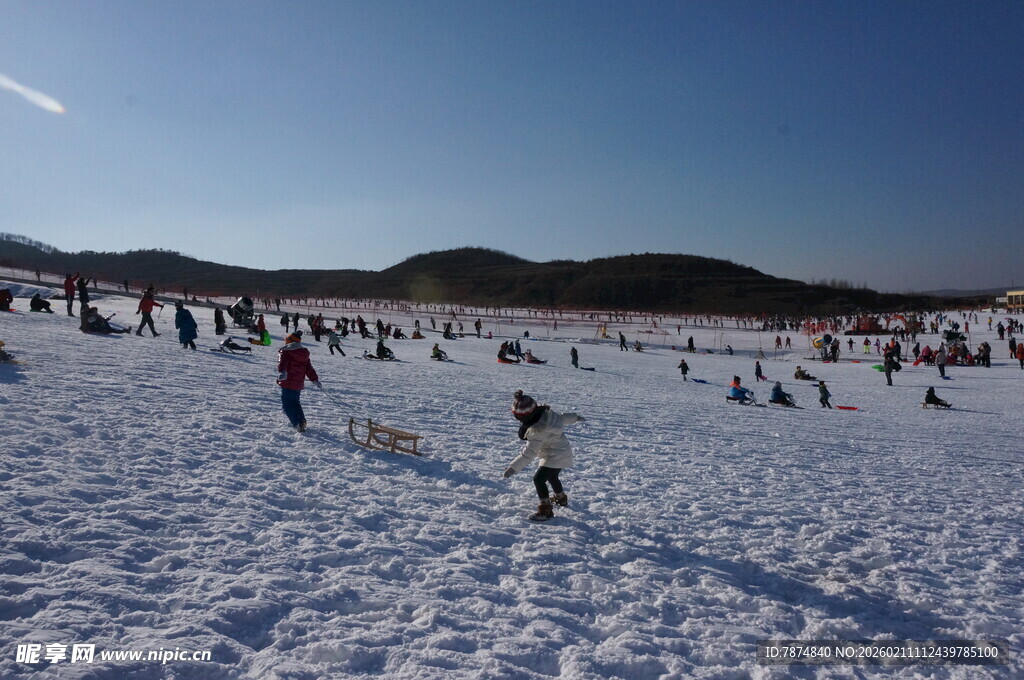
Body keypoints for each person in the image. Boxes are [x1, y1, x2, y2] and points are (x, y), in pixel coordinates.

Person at [502, 390, 584, 522]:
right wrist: (575, 417)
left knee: (539, 479)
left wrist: (512, 468)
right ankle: (561, 498)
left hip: (554, 456)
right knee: (552, 476)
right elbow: (563, 418)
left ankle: (546, 510)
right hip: (562, 452)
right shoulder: (548, 415)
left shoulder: (537, 432)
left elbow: (527, 455)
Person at [277, 331, 319, 432]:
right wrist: (314, 379)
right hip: (298, 383)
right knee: (295, 403)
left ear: (288, 341)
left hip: (288, 381)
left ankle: (297, 423)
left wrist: (282, 371)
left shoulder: (285, 351)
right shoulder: (303, 353)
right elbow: (309, 368)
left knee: (287, 404)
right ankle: (302, 421)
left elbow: (282, 362)